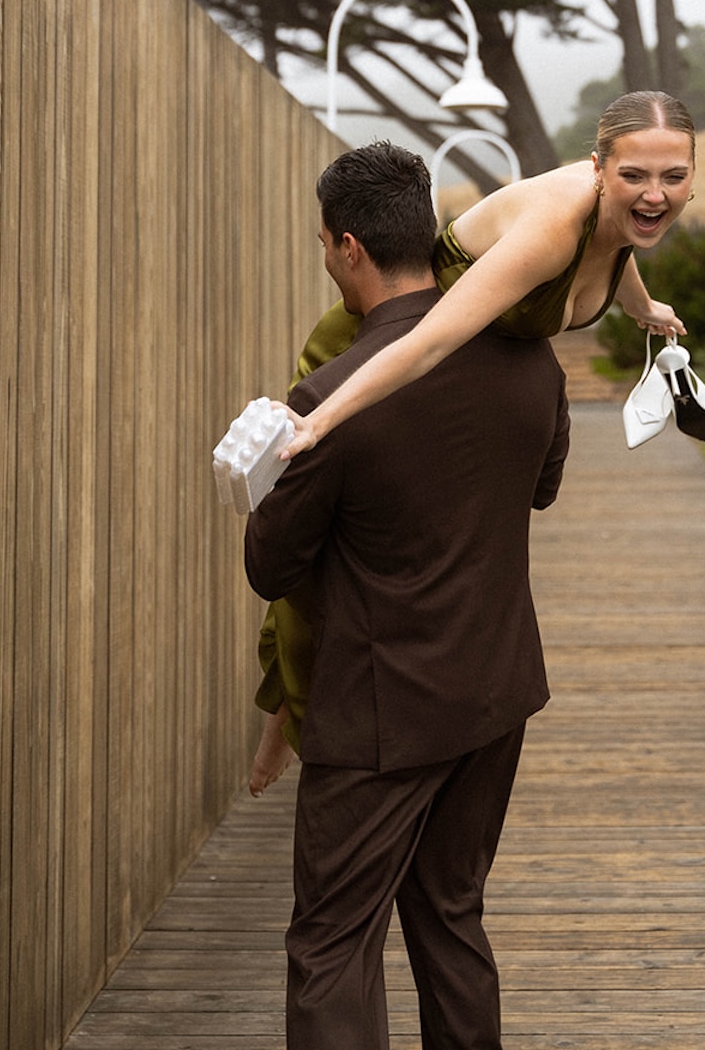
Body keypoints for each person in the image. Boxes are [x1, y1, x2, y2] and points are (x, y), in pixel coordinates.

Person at [248, 89, 697, 795]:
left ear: (693, 176)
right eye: (635, 176)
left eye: (674, 177)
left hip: (454, 377)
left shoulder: (619, 226)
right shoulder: (553, 229)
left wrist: (643, 308)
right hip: (380, 345)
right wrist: (323, 418)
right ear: (597, 168)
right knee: (311, 552)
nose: (654, 194)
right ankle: (288, 718)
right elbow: (427, 342)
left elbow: (616, 251)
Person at [245, 140, 569, 1050]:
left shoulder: (330, 399)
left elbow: (271, 567)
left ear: (348, 247)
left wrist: (262, 475)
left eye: (323, 245)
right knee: (452, 917)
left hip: (380, 715)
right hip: (495, 695)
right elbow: (539, 487)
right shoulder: (530, 362)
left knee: (333, 944)